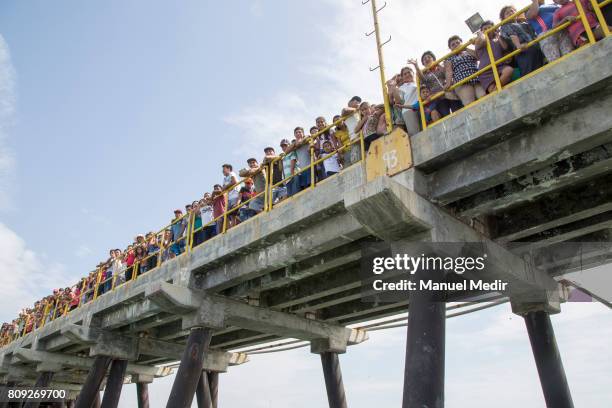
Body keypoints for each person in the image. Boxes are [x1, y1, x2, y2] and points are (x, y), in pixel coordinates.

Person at [408, 51, 462, 119]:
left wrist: (437, 64)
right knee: (446, 116)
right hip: (437, 98)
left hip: (448, 92)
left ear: (433, 59)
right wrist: (416, 66)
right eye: (424, 59)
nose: (427, 59)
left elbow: (447, 73)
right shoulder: (424, 73)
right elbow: (422, 78)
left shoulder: (439, 68)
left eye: (429, 57)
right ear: (423, 63)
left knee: (458, 111)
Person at [499, 5, 546, 76]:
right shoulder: (505, 26)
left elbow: (533, 33)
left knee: (544, 68)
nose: (511, 13)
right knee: (530, 74)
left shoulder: (524, 23)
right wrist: (518, 45)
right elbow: (512, 35)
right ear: (503, 18)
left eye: (512, 11)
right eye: (507, 13)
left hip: (535, 48)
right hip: (523, 52)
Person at [475, 20, 516, 93]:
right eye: (485, 29)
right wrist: (481, 34)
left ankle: (496, 91)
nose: (488, 30)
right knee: (491, 89)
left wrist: (497, 35)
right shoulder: (480, 41)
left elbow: (505, 47)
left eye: (489, 28)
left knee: (509, 70)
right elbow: (482, 40)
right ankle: (495, 92)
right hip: (485, 70)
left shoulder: (497, 40)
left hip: (499, 66)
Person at [445, 35, 486, 106]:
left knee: (484, 97)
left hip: (476, 78)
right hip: (462, 81)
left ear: (462, 43)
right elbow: (449, 71)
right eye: (453, 44)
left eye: (458, 42)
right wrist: (448, 83)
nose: (456, 45)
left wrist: (465, 48)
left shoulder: (468, 51)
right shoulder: (449, 58)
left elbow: (479, 57)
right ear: (450, 48)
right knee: (470, 103)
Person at [390, 67, 421, 135]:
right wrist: (393, 88)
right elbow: (399, 101)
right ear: (402, 77)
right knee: (416, 134)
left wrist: (415, 65)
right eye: (404, 74)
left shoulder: (418, 81)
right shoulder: (402, 87)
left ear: (413, 73)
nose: (407, 75)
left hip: (421, 107)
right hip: (409, 111)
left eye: (409, 72)